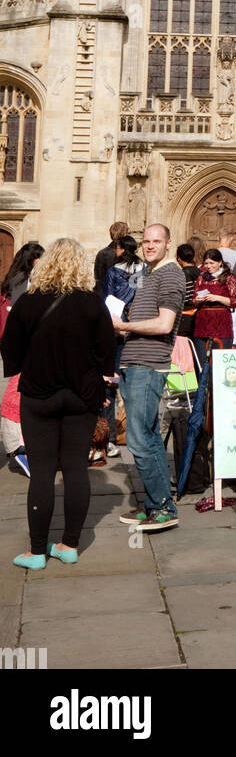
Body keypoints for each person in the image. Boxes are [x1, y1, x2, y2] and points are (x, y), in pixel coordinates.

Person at [1, 238, 116, 569]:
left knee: (42, 472)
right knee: (76, 468)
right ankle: (69, 544)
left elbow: (10, 349)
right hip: (82, 396)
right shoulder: (93, 304)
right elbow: (106, 352)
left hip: (39, 395)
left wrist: (30, 365)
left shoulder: (28, 303)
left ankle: (37, 551)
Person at [114, 223, 186, 532]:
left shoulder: (170, 274)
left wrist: (124, 326)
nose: (149, 245)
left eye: (156, 241)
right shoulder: (148, 274)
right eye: (146, 241)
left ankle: (163, 507)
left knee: (138, 439)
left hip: (148, 365)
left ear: (169, 244)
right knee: (151, 436)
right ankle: (158, 504)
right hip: (134, 362)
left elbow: (165, 325)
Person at [103, 235, 146, 459]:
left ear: (120, 249)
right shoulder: (143, 269)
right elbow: (141, 295)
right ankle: (136, 431)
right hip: (138, 323)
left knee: (112, 377)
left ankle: (110, 435)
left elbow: (108, 297)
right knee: (135, 376)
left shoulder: (113, 271)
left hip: (116, 325)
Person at [191, 249, 236, 362]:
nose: (208, 266)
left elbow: (235, 300)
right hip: (202, 325)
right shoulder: (201, 278)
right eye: (206, 263)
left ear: (220, 262)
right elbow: (193, 300)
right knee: (202, 363)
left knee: (220, 363)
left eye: (212, 263)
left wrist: (216, 298)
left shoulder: (229, 278)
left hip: (221, 325)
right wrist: (198, 300)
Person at [2, 242, 45, 307]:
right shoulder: (21, 277)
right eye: (40, 257)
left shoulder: (21, 274)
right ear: (30, 259)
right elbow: (18, 304)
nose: (43, 261)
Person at [94, 221, 129, 295]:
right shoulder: (127, 254)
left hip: (104, 296)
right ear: (124, 234)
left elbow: (98, 280)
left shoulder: (101, 253)